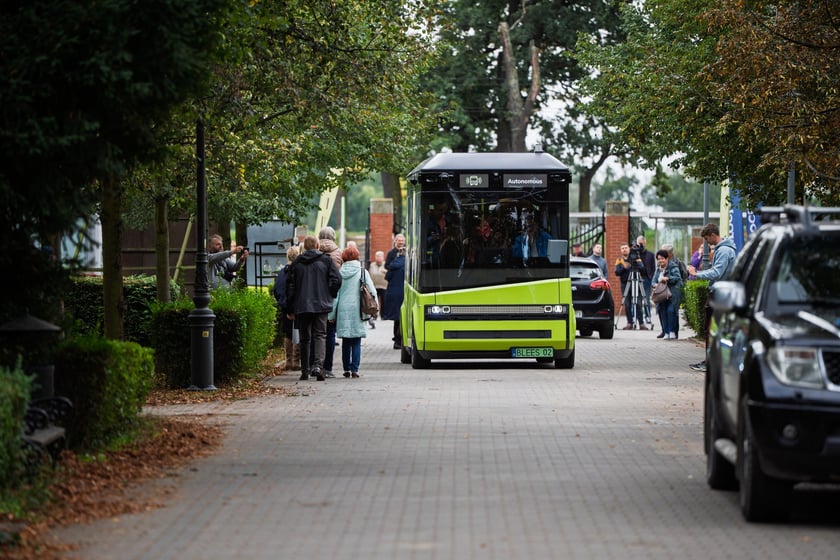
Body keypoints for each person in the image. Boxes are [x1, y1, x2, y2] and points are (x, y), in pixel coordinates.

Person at [286, 235, 342, 381]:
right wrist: (330, 294)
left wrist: (290, 307)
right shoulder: (326, 260)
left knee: (305, 338)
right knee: (320, 335)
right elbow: (336, 279)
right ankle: (318, 366)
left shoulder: (297, 262)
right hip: (321, 305)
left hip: (302, 305)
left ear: (304, 247)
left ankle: (305, 370)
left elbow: (290, 286)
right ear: (317, 246)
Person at [686, 223, 738, 372]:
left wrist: (697, 274)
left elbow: (717, 272)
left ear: (713, 235)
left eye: (707, 239)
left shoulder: (723, 251)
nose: (707, 242)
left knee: (711, 329)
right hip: (724, 293)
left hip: (719, 294)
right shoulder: (727, 249)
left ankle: (711, 362)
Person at [329, 245, 377, 378]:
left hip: (343, 309)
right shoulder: (363, 272)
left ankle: (346, 369)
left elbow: (336, 296)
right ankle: (355, 369)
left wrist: (331, 314)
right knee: (356, 341)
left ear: (343, 257)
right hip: (358, 309)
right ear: (357, 257)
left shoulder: (339, 273)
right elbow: (372, 291)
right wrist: (375, 308)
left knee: (346, 341)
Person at [315, 226, 343, 379]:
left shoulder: (314, 251)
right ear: (333, 236)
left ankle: (315, 365)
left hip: (314, 296)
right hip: (331, 297)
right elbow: (339, 277)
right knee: (330, 333)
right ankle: (327, 367)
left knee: (316, 333)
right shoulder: (338, 253)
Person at [273, 245, 301, 371]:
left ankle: (288, 360)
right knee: (298, 333)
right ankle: (296, 361)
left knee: (288, 334)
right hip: (298, 307)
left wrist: (284, 305)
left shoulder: (282, 272)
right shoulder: (299, 271)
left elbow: (277, 290)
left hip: (285, 308)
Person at [651, 249, 683, 340]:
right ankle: (666, 332)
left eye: (662, 259)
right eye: (659, 259)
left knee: (671, 311)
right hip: (662, 294)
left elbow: (677, 277)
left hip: (673, 293)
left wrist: (667, 278)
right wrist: (655, 284)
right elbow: (653, 281)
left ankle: (673, 332)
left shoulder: (673, 266)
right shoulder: (658, 269)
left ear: (667, 258)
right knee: (663, 312)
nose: (660, 261)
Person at [614, 242, 646, 329]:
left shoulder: (637, 258)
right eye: (622, 248)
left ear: (629, 249)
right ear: (621, 250)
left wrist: (637, 262)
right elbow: (617, 272)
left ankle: (641, 323)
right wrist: (623, 267)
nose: (624, 249)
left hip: (637, 282)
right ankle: (629, 323)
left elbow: (643, 269)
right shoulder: (619, 260)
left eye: (626, 248)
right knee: (627, 304)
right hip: (625, 284)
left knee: (639, 303)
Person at [382, 242, 406, 350]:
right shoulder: (408, 264)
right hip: (404, 292)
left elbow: (387, 277)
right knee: (403, 318)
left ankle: (396, 341)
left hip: (393, 292)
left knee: (397, 318)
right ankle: (401, 339)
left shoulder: (393, 264)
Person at [636, 235, 656, 327]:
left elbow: (653, 268)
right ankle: (637, 317)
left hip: (647, 279)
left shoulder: (651, 255)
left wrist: (651, 278)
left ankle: (648, 316)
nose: (641, 245)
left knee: (647, 299)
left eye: (642, 243)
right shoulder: (635, 254)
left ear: (645, 243)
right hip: (636, 278)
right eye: (639, 243)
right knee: (638, 299)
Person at [368, 251, 387, 329]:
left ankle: (383, 315)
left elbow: (389, 274)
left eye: (380, 256)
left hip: (384, 286)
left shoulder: (386, 265)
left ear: (383, 257)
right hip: (374, 286)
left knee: (384, 301)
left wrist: (386, 272)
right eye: (377, 256)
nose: (378, 258)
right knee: (374, 302)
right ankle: (374, 315)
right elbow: (369, 274)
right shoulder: (372, 265)